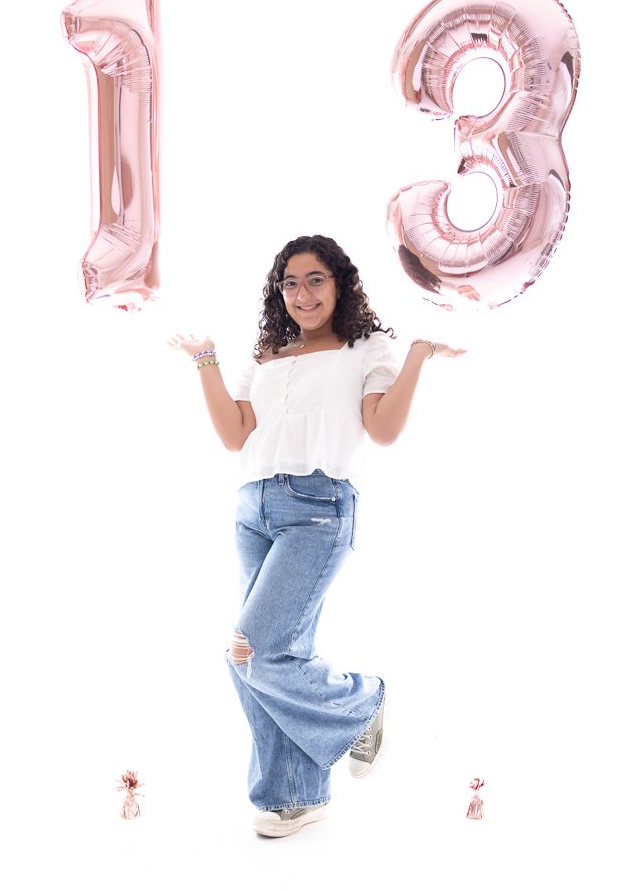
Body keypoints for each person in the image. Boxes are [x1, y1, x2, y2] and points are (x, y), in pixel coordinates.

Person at [168, 234, 465, 838]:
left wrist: (416, 357)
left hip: (318, 508)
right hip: (253, 508)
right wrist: (205, 360)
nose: (302, 295)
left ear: (340, 284)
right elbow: (234, 434)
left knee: (254, 649)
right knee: (261, 658)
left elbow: (381, 429)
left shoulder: (364, 349)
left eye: (315, 280)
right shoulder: (269, 354)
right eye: (291, 283)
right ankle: (294, 795)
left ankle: (362, 704)